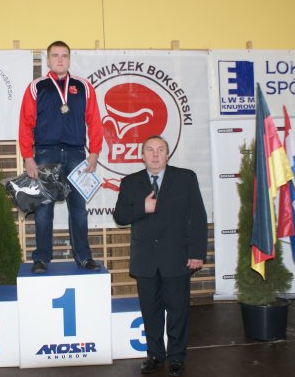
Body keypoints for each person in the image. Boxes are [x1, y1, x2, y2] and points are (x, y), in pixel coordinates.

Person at [113, 135, 207, 376]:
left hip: (177, 257)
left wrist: (197, 253)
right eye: (150, 150)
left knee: (178, 312)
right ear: (142, 156)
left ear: (167, 154)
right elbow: (120, 216)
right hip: (144, 259)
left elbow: (198, 217)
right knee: (150, 312)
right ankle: (155, 355)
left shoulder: (186, 178)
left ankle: (177, 357)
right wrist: (142, 208)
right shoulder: (130, 182)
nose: (155, 154)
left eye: (160, 149)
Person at [18, 40, 103, 274]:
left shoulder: (84, 86)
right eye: (55, 55)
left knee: (79, 209)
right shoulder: (37, 87)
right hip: (45, 153)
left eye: (64, 55)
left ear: (69, 59)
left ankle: (83, 257)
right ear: (47, 60)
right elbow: (25, 123)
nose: (60, 59)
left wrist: (94, 152)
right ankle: (42, 258)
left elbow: (94, 121)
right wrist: (28, 157)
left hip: (76, 154)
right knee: (43, 210)